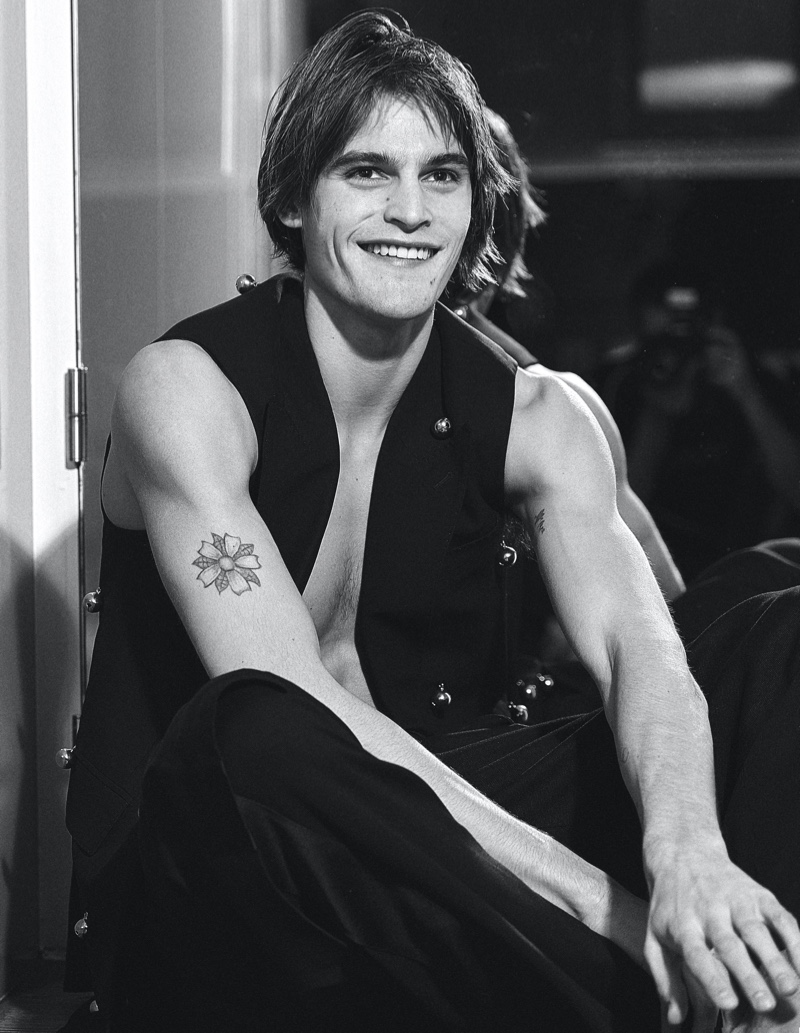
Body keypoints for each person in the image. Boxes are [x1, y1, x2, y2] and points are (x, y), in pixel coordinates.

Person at [62, 11, 800, 1032]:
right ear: (293, 197)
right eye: (367, 172)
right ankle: (659, 990)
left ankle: (759, 969)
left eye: (441, 176)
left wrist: (688, 859)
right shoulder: (187, 389)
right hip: (221, 862)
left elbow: (641, 646)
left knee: (779, 624)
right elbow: (293, 711)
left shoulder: (539, 415)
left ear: (475, 203)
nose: (408, 211)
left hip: (444, 823)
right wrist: (616, 908)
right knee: (261, 724)